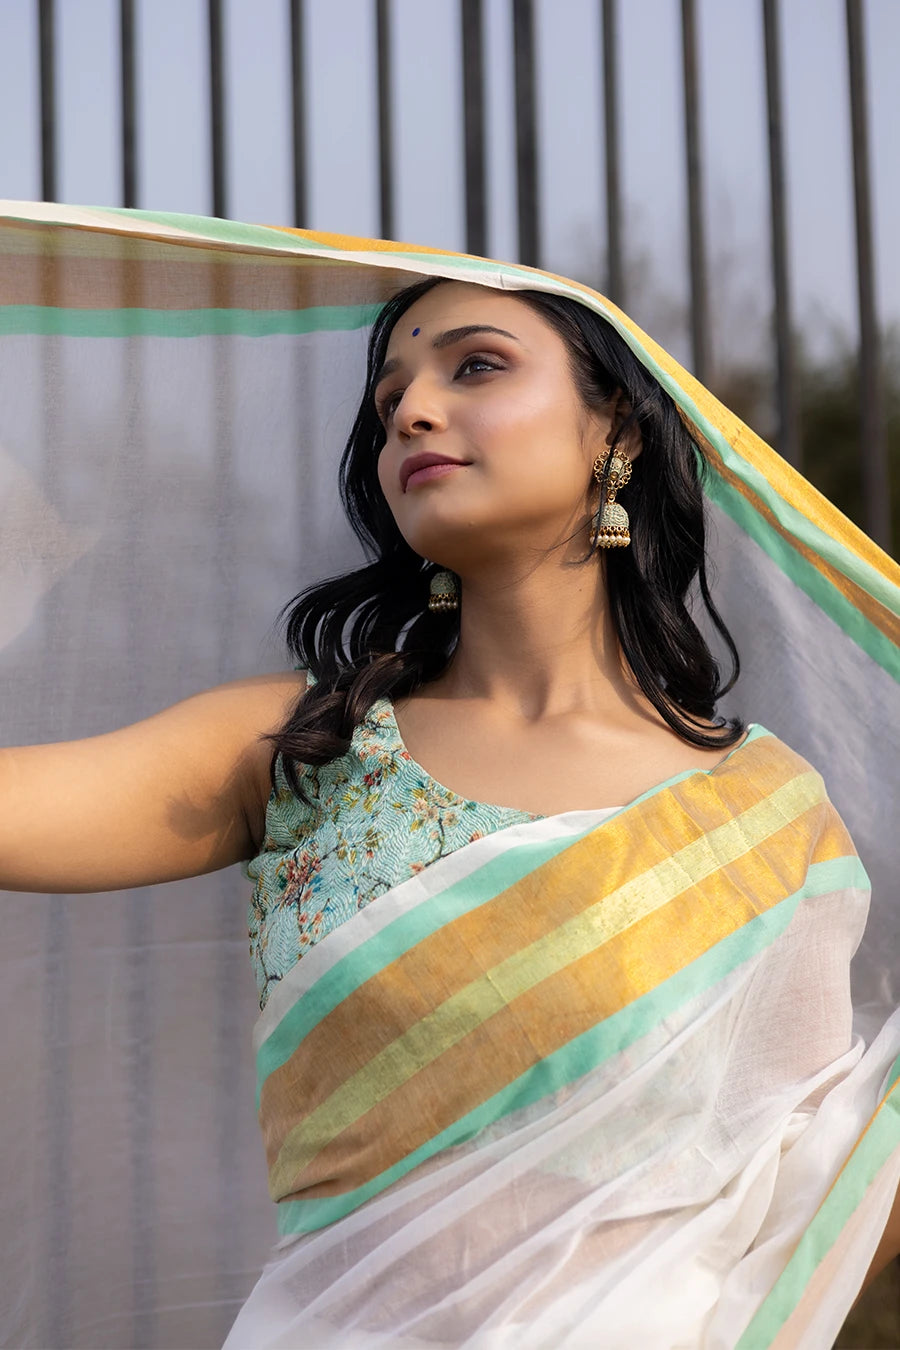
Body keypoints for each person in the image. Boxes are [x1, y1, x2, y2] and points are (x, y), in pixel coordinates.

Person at [1, 203, 899, 1349]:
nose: (414, 411)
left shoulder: (768, 817)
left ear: (617, 431)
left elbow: (815, 1195)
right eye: (390, 405)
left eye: (476, 367)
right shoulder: (302, 749)